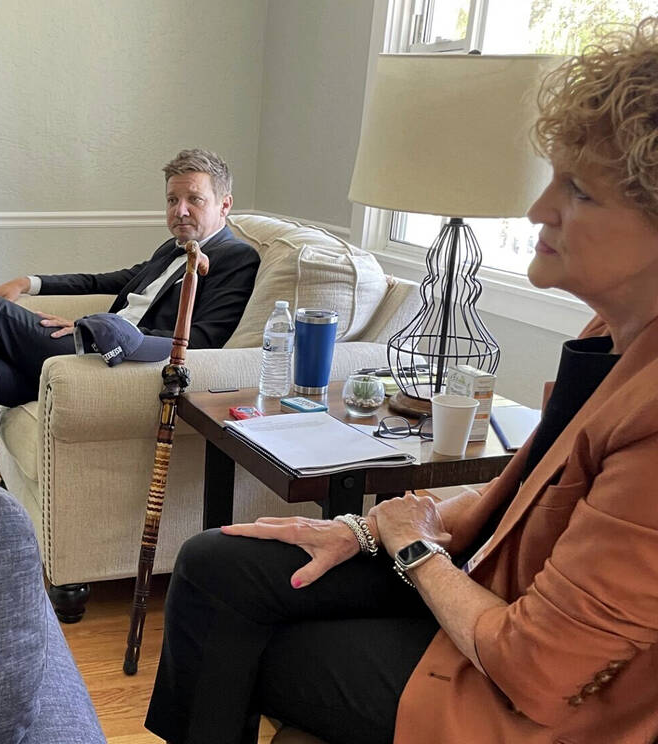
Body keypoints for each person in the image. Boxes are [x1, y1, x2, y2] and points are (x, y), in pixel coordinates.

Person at [146, 19, 658, 744]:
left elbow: (540, 670)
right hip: (483, 588)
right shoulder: (605, 336)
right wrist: (370, 527)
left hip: (522, 695)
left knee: (249, 642)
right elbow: (518, 498)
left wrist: (414, 551)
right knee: (214, 564)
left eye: (579, 192)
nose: (541, 210)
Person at [0, 148, 260, 479]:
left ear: (224, 204)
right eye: (172, 200)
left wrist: (99, 329)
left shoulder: (235, 258)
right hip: (94, 348)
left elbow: (204, 340)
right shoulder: (173, 247)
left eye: (194, 199)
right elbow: (108, 279)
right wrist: (29, 282)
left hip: (123, 366)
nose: (180, 211)